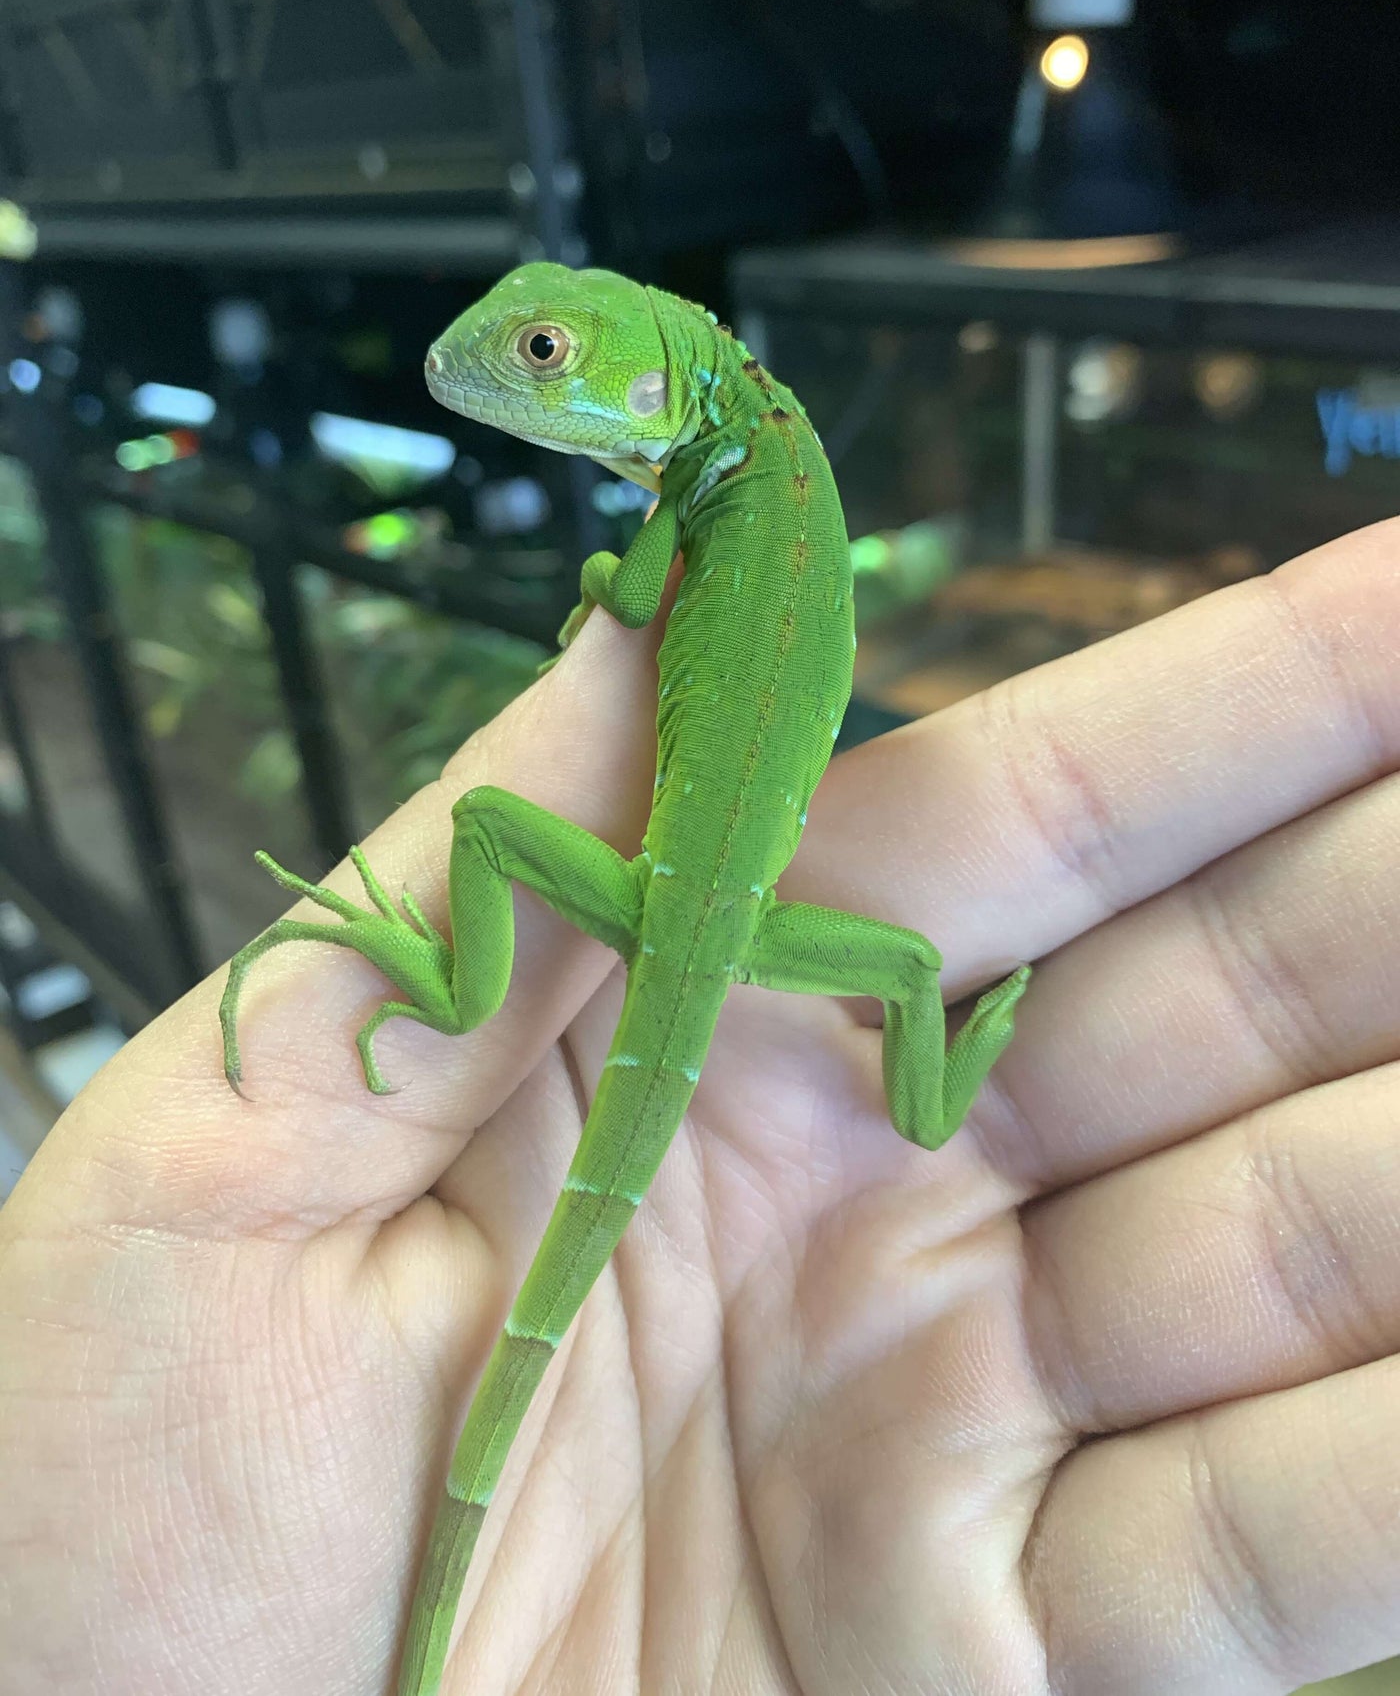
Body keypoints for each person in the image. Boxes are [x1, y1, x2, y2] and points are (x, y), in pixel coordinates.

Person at [3, 519, 1398, 1696]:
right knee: (914, 963)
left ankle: (441, 984)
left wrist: (614, 579)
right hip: (745, 932)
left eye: (544, 361)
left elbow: (617, 597)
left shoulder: (698, 500)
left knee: (488, 827)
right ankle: (939, 1092)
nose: (508, 381)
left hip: (655, 904)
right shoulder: (742, 484)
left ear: (664, 390)